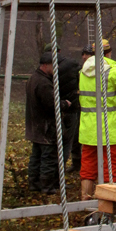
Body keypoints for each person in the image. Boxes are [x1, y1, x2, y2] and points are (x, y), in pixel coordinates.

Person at [78, 39, 116, 200]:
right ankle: (107, 205)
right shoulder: (110, 69)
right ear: (109, 53)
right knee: (111, 167)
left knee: (88, 168)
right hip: (109, 128)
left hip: (88, 129)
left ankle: (85, 201)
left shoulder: (84, 70)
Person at [25, 51, 71, 194]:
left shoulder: (33, 78)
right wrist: (65, 104)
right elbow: (52, 104)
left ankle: (34, 184)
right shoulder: (44, 83)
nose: (56, 68)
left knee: (36, 156)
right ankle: (47, 186)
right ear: (45, 65)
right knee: (48, 158)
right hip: (46, 126)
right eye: (53, 65)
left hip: (35, 126)